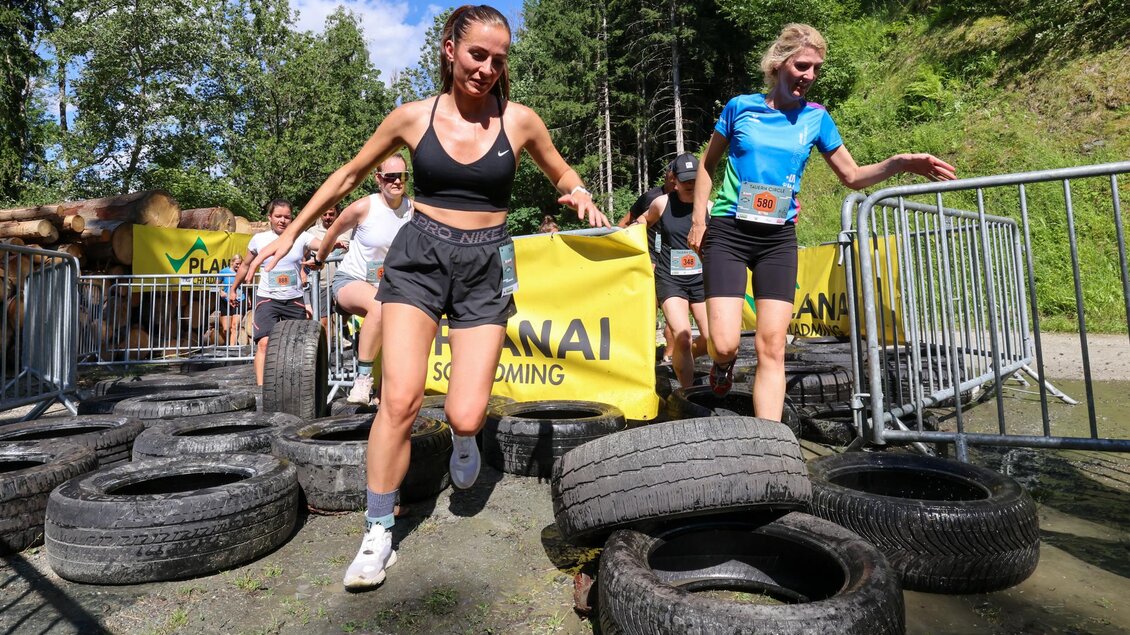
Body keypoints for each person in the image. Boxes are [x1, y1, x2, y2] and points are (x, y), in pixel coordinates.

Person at [245, 4, 609, 590]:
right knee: (400, 400)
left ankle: (465, 438)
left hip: (485, 266)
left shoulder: (520, 121)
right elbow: (349, 175)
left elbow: (561, 172)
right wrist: (293, 232)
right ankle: (377, 530)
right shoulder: (414, 117)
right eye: (477, 55)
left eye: (498, 60)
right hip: (418, 262)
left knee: (466, 412)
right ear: (449, 49)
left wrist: (580, 191)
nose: (487, 69)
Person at [689, 23, 956, 422]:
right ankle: (723, 364)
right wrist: (699, 219)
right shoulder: (740, 107)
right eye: (802, 66)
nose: (810, 76)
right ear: (778, 64)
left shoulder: (816, 118)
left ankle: (770, 441)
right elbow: (707, 164)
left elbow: (852, 175)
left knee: (772, 346)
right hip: (729, 232)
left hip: (777, 239)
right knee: (725, 344)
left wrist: (899, 163)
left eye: (816, 69)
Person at [313, 154, 414, 406]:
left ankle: (383, 395)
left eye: (403, 176)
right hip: (351, 280)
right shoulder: (364, 207)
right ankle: (363, 378)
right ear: (378, 179)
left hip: (388, 287)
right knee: (379, 305)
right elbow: (332, 231)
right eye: (391, 176)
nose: (397, 181)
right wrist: (319, 259)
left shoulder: (413, 209)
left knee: (395, 328)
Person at [228, 200, 328, 386]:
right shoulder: (259, 239)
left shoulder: (302, 237)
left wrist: (332, 246)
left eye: (287, 217)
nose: (282, 220)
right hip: (268, 298)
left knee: (297, 346)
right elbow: (245, 265)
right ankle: (261, 389)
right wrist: (233, 289)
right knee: (264, 343)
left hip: (294, 299)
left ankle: (297, 388)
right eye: (278, 216)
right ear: (270, 218)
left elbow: (323, 246)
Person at [637, 152, 709, 388]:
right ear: (674, 180)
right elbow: (642, 222)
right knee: (683, 336)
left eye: (695, 179)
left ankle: (682, 357)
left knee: (712, 338)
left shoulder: (709, 207)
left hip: (701, 279)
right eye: (685, 179)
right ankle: (688, 393)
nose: (690, 184)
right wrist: (645, 254)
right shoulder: (662, 203)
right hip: (670, 279)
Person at [620, 161, 676, 363]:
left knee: (673, 315)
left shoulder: (689, 198)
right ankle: (645, 356)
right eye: (671, 177)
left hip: (675, 262)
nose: (674, 182)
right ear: (667, 176)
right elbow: (625, 223)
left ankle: (670, 357)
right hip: (649, 261)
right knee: (648, 310)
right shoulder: (650, 197)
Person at [304, 204, 344, 328]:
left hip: (343, 281)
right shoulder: (312, 232)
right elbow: (303, 255)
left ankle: (345, 333)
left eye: (331, 214)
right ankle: (325, 342)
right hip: (322, 283)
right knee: (323, 322)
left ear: (337, 214)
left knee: (346, 317)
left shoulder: (347, 229)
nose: (327, 217)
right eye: (324, 214)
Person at [217, 254, 245, 346]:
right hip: (226, 301)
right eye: (237, 264)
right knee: (226, 328)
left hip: (239, 300)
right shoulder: (223, 272)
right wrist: (221, 292)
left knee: (234, 326)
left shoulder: (242, 271)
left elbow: (245, 285)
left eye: (240, 264)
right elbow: (215, 285)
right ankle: (230, 344)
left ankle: (232, 348)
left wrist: (248, 296)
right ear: (232, 262)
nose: (239, 266)